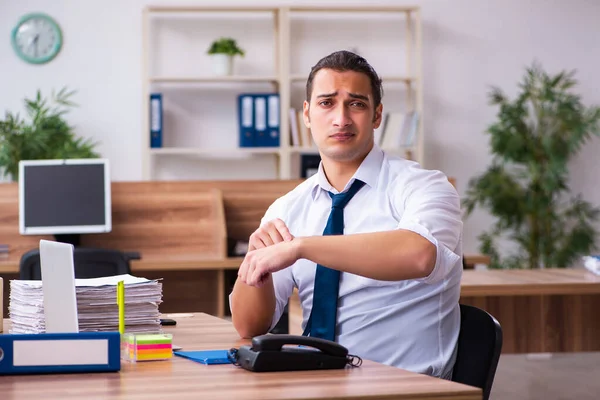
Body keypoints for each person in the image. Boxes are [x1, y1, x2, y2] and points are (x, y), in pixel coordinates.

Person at [229, 50, 463, 379]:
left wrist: (301, 247)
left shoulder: (424, 186)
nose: (341, 119)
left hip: (403, 387)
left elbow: (420, 254)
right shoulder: (287, 208)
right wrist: (257, 268)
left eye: (356, 103)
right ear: (306, 115)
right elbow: (249, 325)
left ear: (377, 115)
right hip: (311, 381)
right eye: (327, 103)